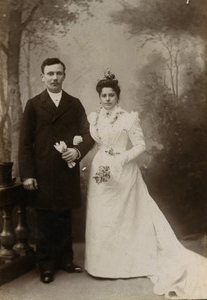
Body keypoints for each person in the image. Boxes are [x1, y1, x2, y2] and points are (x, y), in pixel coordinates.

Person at [85, 71, 207, 299]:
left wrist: (121, 158)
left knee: (126, 218)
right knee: (102, 216)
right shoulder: (95, 118)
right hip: (101, 172)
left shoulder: (128, 118)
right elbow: (95, 143)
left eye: (112, 95)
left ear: (117, 97)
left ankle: (127, 264)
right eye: (104, 95)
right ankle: (101, 266)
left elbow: (140, 145)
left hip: (125, 173)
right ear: (99, 97)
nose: (108, 99)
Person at [19, 57, 94, 284]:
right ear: (43, 77)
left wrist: (77, 152)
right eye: (50, 74)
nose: (54, 78)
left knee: (64, 215)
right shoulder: (33, 104)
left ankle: (66, 260)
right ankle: (46, 264)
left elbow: (89, 134)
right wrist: (28, 174)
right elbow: (25, 142)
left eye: (58, 73)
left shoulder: (75, 103)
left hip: (66, 170)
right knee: (45, 218)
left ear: (64, 75)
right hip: (42, 171)